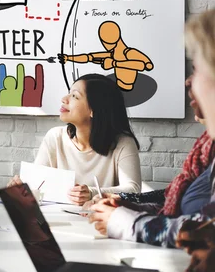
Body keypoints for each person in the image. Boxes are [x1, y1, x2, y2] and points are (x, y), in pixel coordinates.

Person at [90, 8, 215, 272]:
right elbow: (178, 200)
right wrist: (127, 205)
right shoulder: (208, 148)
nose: (188, 82)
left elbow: (206, 228)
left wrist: (124, 222)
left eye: (196, 69)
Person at [84, 73, 214, 218]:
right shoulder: (205, 149)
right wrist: (124, 201)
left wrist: (124, 222)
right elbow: (168, 198)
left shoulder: (123, 142)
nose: (188, 81)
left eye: (200, 70)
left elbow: (200, 228)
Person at [8, 73, 141, 204]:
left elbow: (133, 190)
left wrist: (91, 193)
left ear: (93, 110)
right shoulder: (55, 137)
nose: (64, 99)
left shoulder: (123, 143)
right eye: (69, 93)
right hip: (58, 220)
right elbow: (37, 187)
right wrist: (22, 189)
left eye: (74, 96)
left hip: (99, 221)